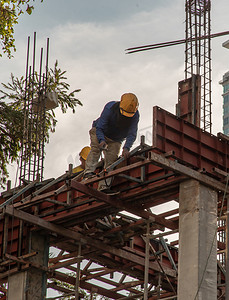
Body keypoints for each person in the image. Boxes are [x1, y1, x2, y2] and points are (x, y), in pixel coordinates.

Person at [84, 92, 140, 193]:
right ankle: (88, 173)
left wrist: (126, 148)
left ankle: (104, 187)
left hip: (116, 140)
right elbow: (100, 127)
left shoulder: (135, 115)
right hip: (100, 132)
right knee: (96, 150)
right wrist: (101, 140)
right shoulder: (110, 108)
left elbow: (132, 133)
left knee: (111, 160)